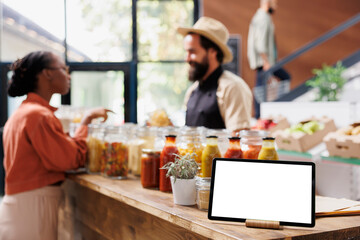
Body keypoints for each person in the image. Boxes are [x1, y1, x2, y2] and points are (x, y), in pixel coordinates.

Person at [0, 51, 112, 240]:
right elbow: (69, 159)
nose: (68, 75)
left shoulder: (25, 112)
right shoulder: (38, 116)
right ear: (47, 74)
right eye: (64, 69)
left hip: (22, 208)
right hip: (33, 208)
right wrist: (85, 121)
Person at [177, 17, 252, 133]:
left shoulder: (233, 88)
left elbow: (238, 142)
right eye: (186, 52)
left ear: (212, 52)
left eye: (192, 52)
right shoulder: (192, 91)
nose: (187, 59)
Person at [247, 0, 291, 119]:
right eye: (274, 4)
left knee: (260, 86)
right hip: (264, 61)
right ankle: (259, 116)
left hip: (265, 60)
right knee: (265, 86)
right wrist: (266, 61)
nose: (276, 6)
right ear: (268, 3)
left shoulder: (261, 17)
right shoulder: (263, 18)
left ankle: (259, 116)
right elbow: (260, 44)